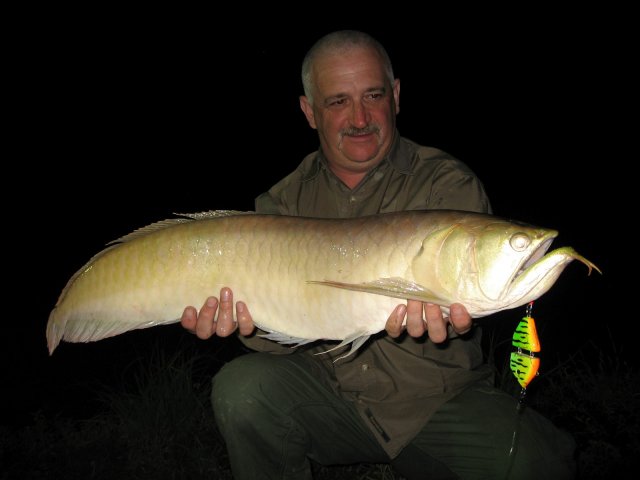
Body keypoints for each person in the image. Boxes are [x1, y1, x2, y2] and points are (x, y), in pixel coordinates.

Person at [180, 30, 576, 479]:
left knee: (539, 461)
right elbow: (274, 331)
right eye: (338, 102)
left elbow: (467, 299)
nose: (360, 117)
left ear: (397, 96)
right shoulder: (280, 205)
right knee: (241, 389)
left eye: (373, 95)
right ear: (310, 112)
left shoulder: (446, 185)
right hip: (328, 397)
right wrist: (240, 324)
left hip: (435, 401)